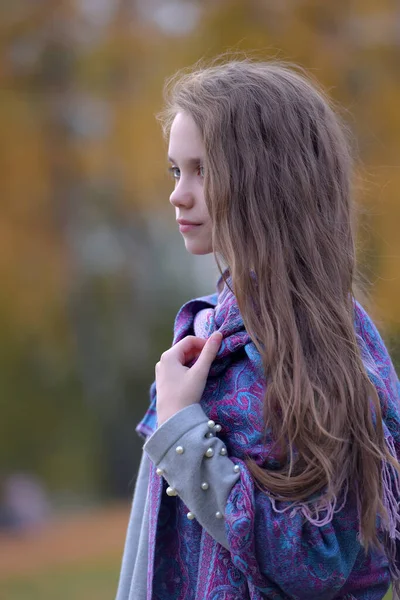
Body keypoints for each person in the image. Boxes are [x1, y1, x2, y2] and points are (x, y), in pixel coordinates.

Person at [115, 59, 400, 600]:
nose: (179, 194)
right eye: (176, 171)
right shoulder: (208, 332)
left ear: (265, 178)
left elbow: (314, 561)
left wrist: (181, 431)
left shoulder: (320, 349)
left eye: (202, 170)